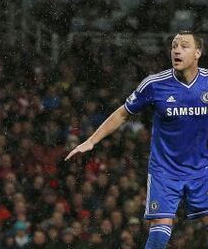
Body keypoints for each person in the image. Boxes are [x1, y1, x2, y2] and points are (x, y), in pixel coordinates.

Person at [65, 32, 208, 248]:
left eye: (184, 46)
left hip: (203, 167)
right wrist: (91, 141)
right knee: (161, 225)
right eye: (174, 46)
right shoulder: (154, 84)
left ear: (198, 53)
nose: (177, 50)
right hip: (165, 169)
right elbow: (123, 113)